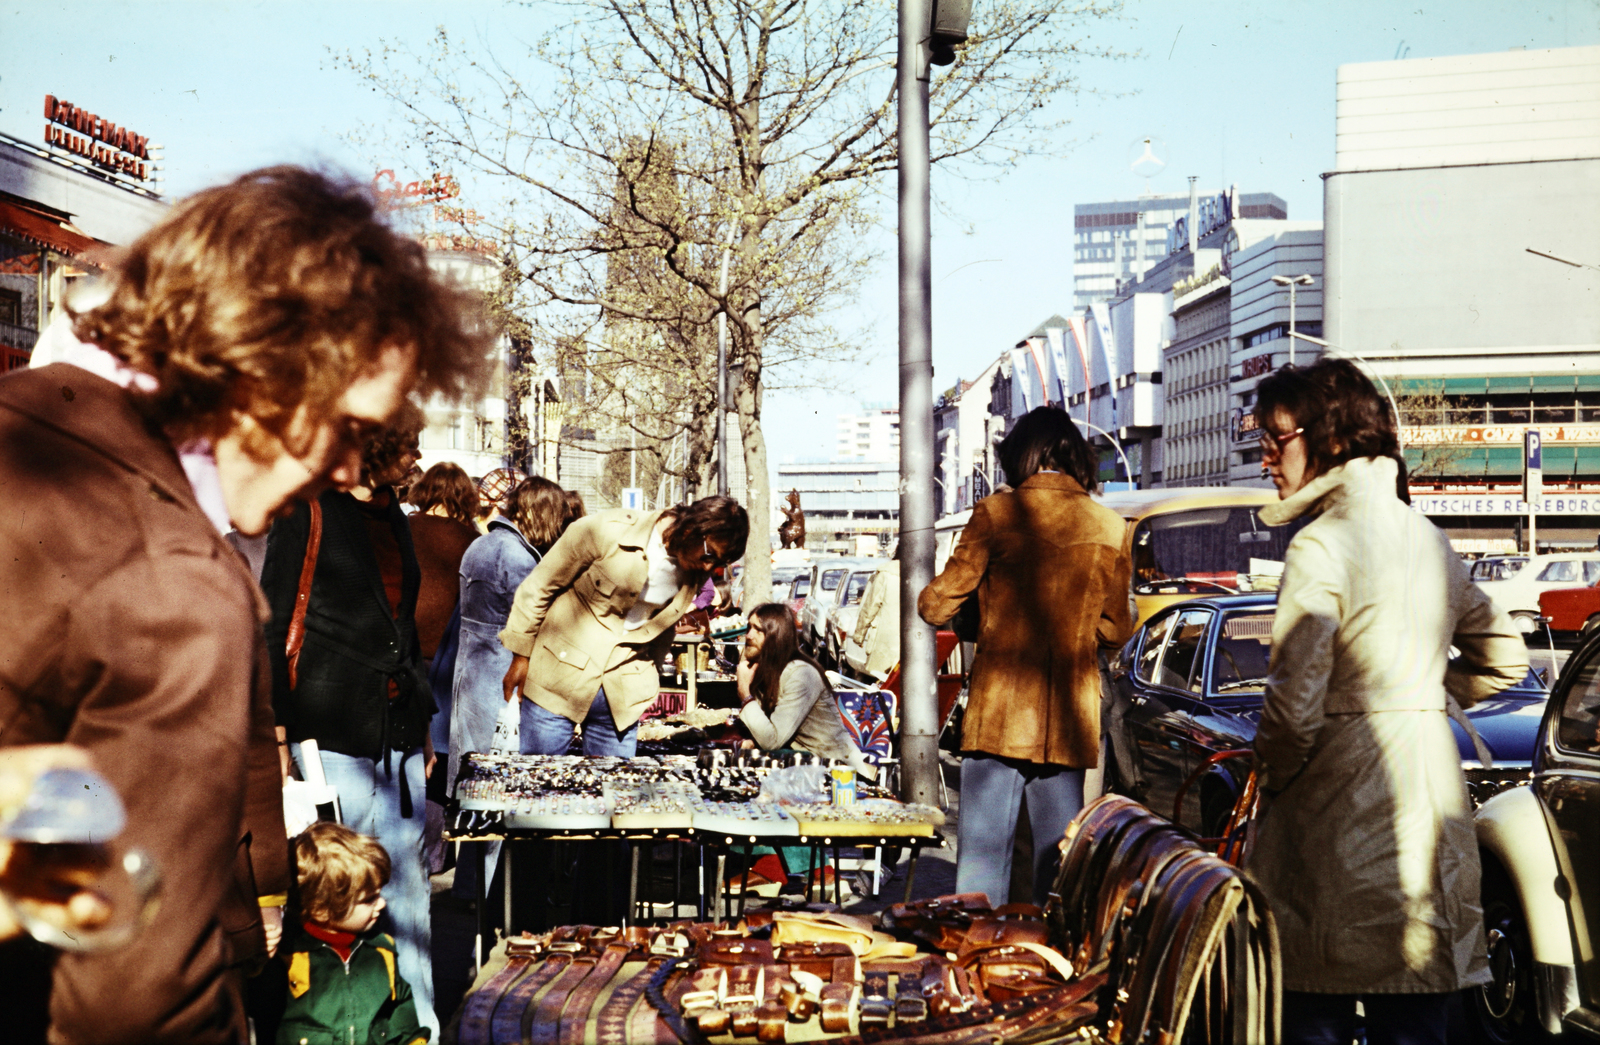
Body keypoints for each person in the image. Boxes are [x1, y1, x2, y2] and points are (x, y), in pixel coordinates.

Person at [0, 165, 483, 1044]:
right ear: (264, 374)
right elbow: (139, 998)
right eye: (346, 429)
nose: (346, 471)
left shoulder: (28, 424)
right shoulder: (181, 585)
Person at [1248, 359, 1527, 1045]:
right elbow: (1507, 659)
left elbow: (1291, 714)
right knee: (1416, 1005)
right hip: (1426, 813)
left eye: (1274, 438)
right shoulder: (1427, 538)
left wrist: (1270, 780)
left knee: (1317, 1005)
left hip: (1330, 820)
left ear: (1328, 436)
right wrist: (1418, 697)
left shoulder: (1319, 545)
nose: (1264, 455)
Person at [260, 410, 442, 1036]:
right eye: (409, 447)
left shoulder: (395, 516)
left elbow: (406, 624)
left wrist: (423, 727)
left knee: (407, 900)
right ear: (377, 446)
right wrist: (278, 735)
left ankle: (416, 1028)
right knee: (333, 899)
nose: (417, 459)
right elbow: (274, 620)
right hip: (330, 734)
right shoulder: (308, 509)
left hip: (398, 738)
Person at [917, 406, 1134, 908]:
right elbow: (1115, 627)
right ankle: (1042, 969)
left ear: (1022, 457)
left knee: (982, 863)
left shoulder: (997, 513)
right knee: (1054, 864)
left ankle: (971, 970)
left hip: (999, 714)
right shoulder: (1110, 526)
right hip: (1068, 717)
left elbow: (936, 604)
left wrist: (981, 609)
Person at [500, 496, 750, 757]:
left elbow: (663, 629)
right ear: (691, 529)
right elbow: (539, 587)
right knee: (540, 789)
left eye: (719, 563)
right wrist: (521, 654)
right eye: (709, 555)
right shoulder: (607, 530)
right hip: (556, 684)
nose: (709, 566)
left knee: (614, 794)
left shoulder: (695, 572)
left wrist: (645, 678)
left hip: (620, 701)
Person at [451, 477, 573, 784]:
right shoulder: (518, 556)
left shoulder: (480, 543)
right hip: (502, 668)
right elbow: (536, 620)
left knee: (472, 766)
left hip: (471, 666)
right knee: (500, 770)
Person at [277, 823, 427, 1045]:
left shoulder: (381, 950)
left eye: (379, 894)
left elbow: (400, 1006)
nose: (382, 903)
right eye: (369, 899)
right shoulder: (287, 957)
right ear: (321, 909)